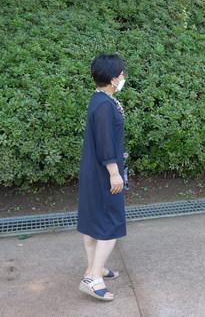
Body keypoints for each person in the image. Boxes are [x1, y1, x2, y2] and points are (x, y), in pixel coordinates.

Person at [77, 54, 128, 302]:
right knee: (111, 224)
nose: (123, 78)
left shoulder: (99, 100)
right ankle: (93, 278)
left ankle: (94, 267)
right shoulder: (105, 106)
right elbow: (106, 143)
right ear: (111, 79)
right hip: (104, 173)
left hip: (92, 170)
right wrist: (115, 173)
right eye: (120, 74)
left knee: (93, 221)